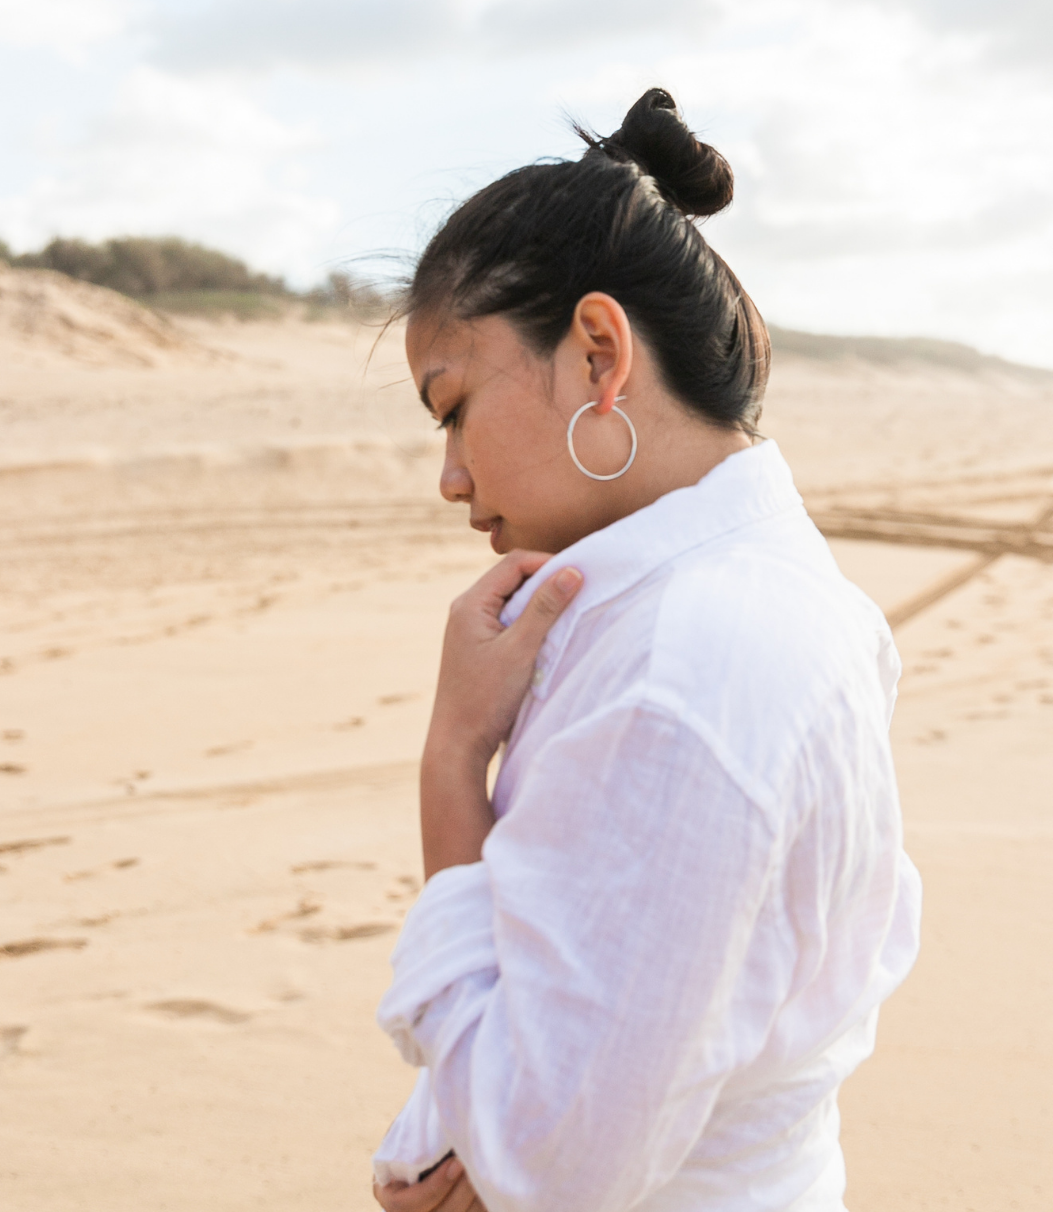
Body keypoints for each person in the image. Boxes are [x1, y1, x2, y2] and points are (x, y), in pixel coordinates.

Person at [371, 89, 921, 1212]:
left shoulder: (687, 667)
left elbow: (552, 1166)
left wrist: (451, 763)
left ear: (596, 354)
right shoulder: (773, 594)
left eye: (455, 406)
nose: (452, 477)